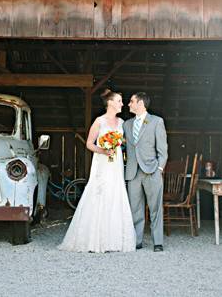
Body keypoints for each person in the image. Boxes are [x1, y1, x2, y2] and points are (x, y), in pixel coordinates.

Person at [58, 89, 135, 252]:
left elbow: (124, 141)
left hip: (116, 163)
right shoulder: (99, 121)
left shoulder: (121, 122)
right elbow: (89, 144)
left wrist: (118, 144)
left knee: (116, 192)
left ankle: (114, 240)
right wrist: (103, 150)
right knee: (100, 193)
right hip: (103, 162)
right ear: (111, 102)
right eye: (119, 100)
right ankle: (95, 239)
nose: (122, 103)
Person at [124, 92, 168, 252]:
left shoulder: (157, 121)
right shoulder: (126, 124)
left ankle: (158, 242)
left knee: (155, 208)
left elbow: (163, 149)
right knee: (135, 208)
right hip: (132, 172)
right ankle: (137, 240)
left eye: (131, 101)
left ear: (140, 103)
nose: (129, 104)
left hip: (152, 171)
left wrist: (160, 169)